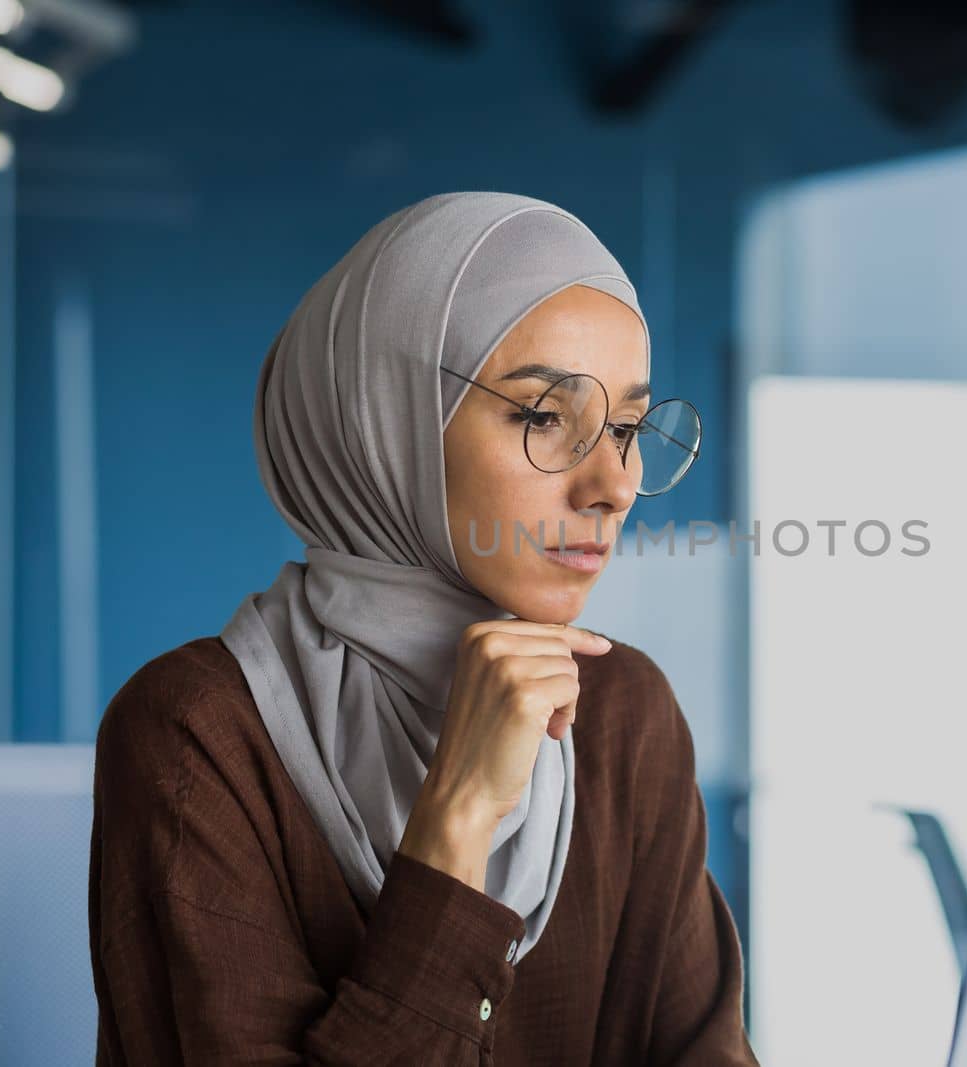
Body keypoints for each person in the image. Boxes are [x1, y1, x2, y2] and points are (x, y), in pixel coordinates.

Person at [87, 191, 758, 1065]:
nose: (616, 484)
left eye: (626, 428)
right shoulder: (197, 732)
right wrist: (462, 809)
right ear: (383, 420)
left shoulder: (623, 710)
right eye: (544, 417)